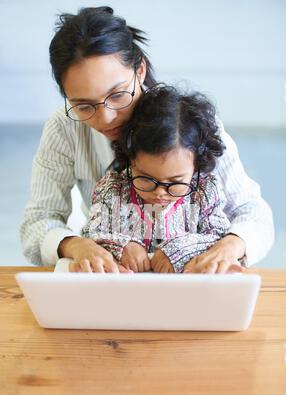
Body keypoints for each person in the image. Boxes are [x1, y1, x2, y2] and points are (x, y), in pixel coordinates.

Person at [20, 6, 274, 273]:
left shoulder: (189, 124)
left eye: (117, 95)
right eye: (84, 106)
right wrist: (75, 245)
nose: (105, 118)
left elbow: (252, 212)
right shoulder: (64, 128)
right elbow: (38, 222)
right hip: (113, 278)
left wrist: (230, 246)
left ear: (139, 70)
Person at [78, 85, 241, 274]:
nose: (159, 193)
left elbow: (219, 238)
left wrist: (178, 250)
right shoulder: (113, 189)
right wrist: (123, 245)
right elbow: (91, 233)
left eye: (174, 182)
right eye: (146, 179)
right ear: (130, 160)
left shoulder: (204, 192)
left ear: (196, 167)